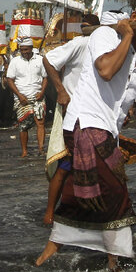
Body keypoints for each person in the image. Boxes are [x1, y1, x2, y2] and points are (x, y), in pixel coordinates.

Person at [35, 12, 136, 271]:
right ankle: (118, 260)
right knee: (116, 192)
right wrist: (128, 35)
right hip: (86, 124)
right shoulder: (105, 35)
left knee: (81, 195)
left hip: (106, 129)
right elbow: (106, 70)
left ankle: (47, 256)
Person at [41, 14, 100, 224]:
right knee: (65, 163)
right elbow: (47, 60)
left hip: (96, 115)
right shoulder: (79, 44)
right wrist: (61, 90)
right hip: (72, 110)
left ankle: (89, 210)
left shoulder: (107, 46)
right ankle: (49, 212)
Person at [6, 37, 48, 158]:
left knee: (40, 122)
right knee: (23, 125)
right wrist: (19, 95)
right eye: (22, 49)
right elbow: (10, 80)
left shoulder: (40, 60)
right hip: (21, 98)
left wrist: (42, 92)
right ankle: (24, 151)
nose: (24, 52)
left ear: (31, 48)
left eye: (26, 49)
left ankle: (41, 149)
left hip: (37, 96)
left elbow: (45, 77)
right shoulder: (15, 61)